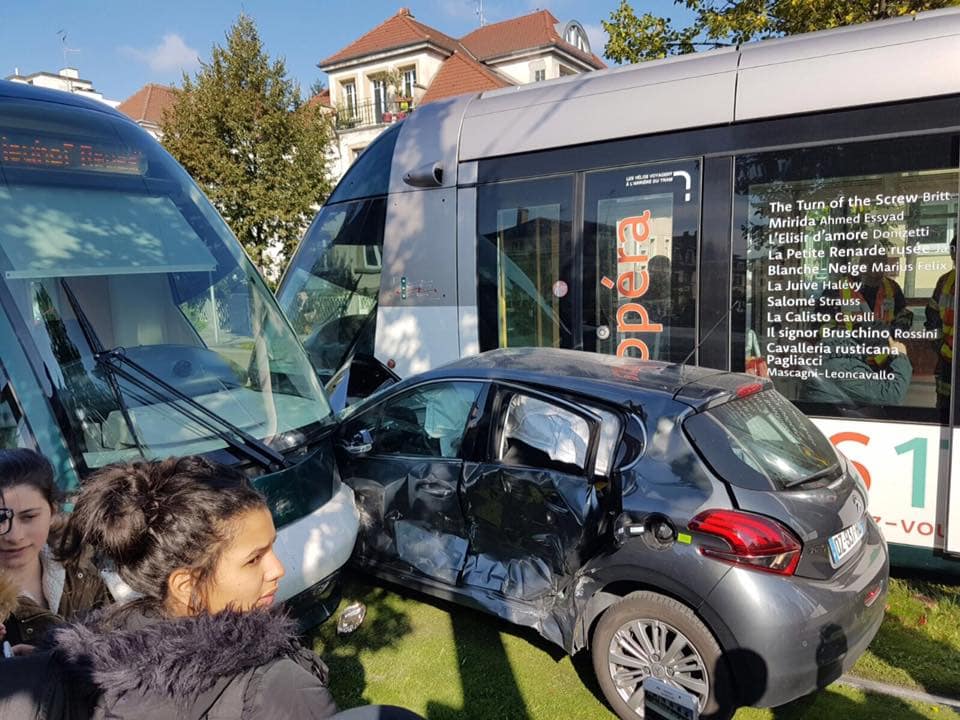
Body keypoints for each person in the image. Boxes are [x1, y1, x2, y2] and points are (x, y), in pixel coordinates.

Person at [39, 455, 339, 719]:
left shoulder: (91, 673)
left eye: (272, 547)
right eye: (254, 559)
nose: (278, 569)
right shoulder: (276, 689)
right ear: (187, 585)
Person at [0, 449, 112, 653]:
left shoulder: (80, 569)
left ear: (51, 512)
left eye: (29, 517)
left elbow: (117, 645)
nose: (15, 536)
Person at [925, 237, 956, 422]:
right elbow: (932, 316)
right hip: (946, 361)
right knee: (944, 412)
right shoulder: (945, 281)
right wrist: (939, 345)